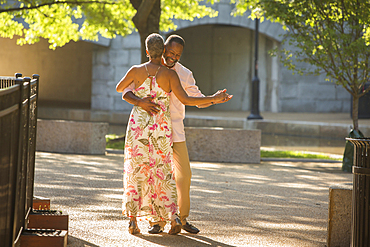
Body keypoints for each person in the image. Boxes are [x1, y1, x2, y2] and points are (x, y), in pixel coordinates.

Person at [116, 33, 229, 235]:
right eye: (171, 52)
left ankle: (181, 219)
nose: (174, 57)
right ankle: (157, 221)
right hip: (153, 132)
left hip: (172, 131)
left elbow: (195, 99)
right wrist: (140, 101)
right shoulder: (148, 70)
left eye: (178, 55)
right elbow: (126, 92)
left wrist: (213, 99)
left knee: (183, 175)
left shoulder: (183, 74)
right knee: (155, 174)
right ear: (163, 50)